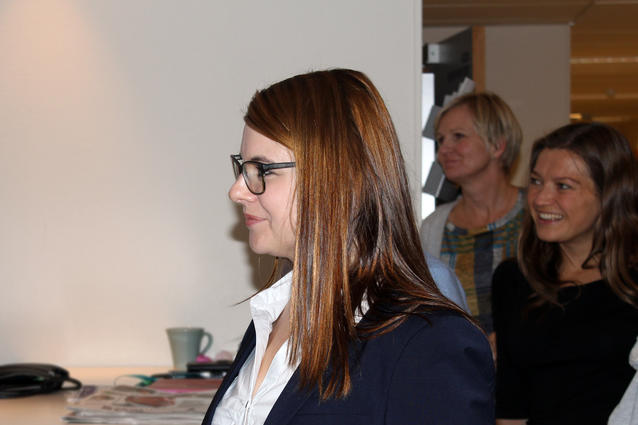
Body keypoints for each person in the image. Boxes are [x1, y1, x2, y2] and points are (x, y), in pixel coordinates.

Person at [202, 69, 494, 425]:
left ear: (340, 177)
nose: (237, 191)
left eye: (262, 170)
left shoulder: (428, 344)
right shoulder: (271, 316)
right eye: (242, 168)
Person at [492, 122, 638, 425]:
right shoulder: (513, 279)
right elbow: (511, 407)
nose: (540, 199)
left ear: (609, 194)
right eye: (536, 181)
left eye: (563, 186)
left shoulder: (631, 284)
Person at [420, 91, 523, 336]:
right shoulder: (433, 227)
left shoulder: (537, 213)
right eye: (441, 140)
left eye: (458, 136)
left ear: (497, 145)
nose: (443, 151)